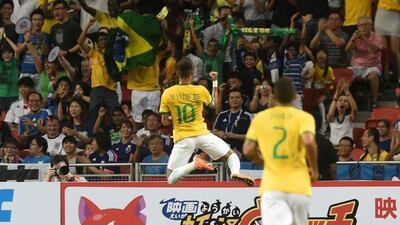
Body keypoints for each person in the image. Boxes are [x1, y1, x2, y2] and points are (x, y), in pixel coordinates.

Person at [159, 57, 254, 186]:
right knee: (231, 155)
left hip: (183, 138)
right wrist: (214, 82)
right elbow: (214, 104)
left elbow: (164, 122)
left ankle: (194, 164)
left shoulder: (168, 93)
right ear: (192, 72)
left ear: (177, 72)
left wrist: (173, 118)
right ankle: (235, 172)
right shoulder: (200, 90)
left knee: (170, 178)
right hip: (202, 134)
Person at [243, 77, 318, 225]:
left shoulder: (260, 118)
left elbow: (248, 150)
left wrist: (264, 161)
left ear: (274, 96)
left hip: (273, 187)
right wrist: (314, 169)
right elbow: (309, 141)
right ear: (294, 97)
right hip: (299, 186)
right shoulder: (304, 117)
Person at [345, 16, 382, 108]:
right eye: (361, 25)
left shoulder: (377, 37)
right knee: (345, 75)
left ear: (371, 26)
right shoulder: (355, 36)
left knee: (373, 76)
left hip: (372, 66)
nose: (363, 27)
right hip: (356, 66)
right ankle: (346, 100)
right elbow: (347, 50)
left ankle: (375, 101)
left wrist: (364, 39)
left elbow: (375, 49)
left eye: (366, 25)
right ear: (358, 27)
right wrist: (353, 39)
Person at [213, 89, 253, 157]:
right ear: (228, 101)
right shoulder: (222, 115)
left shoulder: (248, 116)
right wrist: (219, 133)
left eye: (237, 97)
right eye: (231, 98)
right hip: (221, 148)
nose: (234, 100)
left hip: (240, 150)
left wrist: (233, 135)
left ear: (242, 100)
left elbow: (251, 137)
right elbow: (213, 132)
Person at [50, 0, 82, 68]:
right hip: (58, 66)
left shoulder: (74, 25)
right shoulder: (53, 28)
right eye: (54, 9)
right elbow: (53, 46)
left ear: (66, 9)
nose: (56, 11)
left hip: (72, 65)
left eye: (58, 9)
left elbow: (81, 44)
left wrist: (67, 52)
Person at [326, 80, 358, 146]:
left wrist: (347, 92)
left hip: (347, 147)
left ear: (348, 106)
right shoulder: (332, 119)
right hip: (333, 147)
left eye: (345, 101)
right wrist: (336, 94)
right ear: (336, 104)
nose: (342, 102)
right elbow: (330, 114)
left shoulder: (349, 119)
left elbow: (354, 109)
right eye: (340, 100)